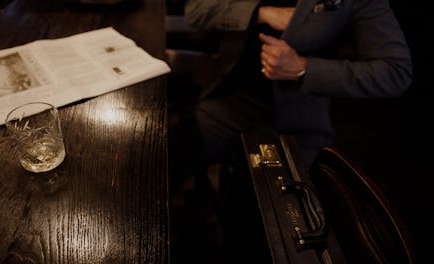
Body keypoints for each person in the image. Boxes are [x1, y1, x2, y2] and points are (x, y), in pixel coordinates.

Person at [171, 0, 412, 172]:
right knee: (161, 157)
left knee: (278, 221)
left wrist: (303, 68)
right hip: (230, 101)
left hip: (296, 123)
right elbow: (196, 9)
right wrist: (262, 12)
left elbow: (395, 72)